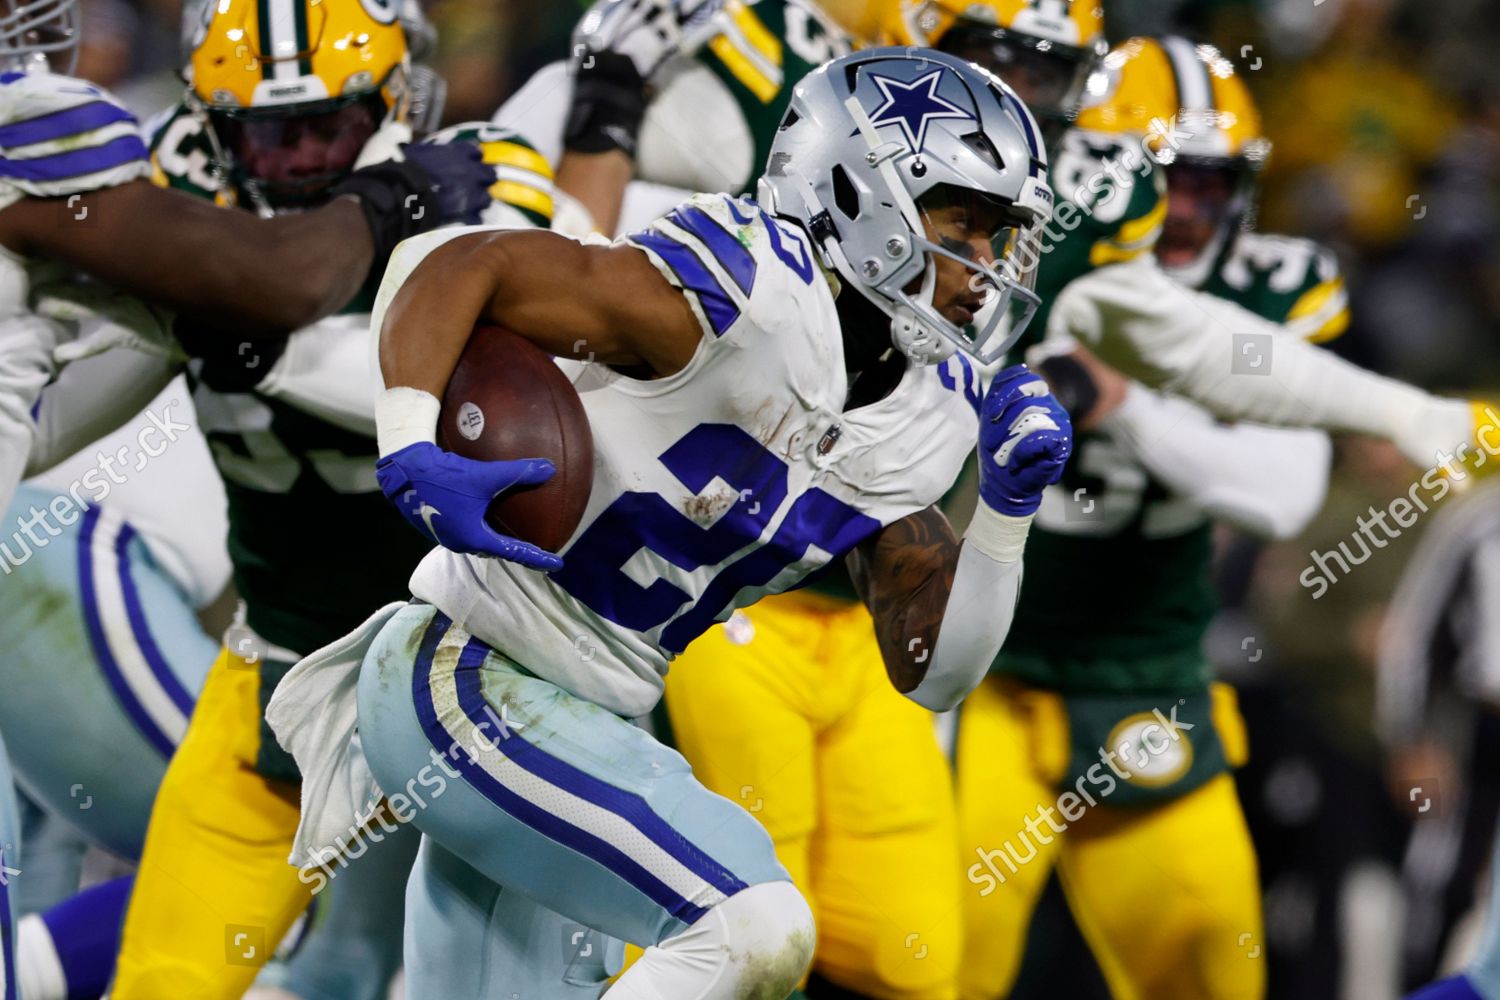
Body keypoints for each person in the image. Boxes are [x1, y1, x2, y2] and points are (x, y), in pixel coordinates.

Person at [269, 45, 1071, 1000]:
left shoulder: (933, 409)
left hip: (591, 717)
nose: (984, 265)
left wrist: (1005, 514)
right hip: (470, 672)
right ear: (859, 192)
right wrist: (406, 438)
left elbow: (936, 673)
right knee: (751, 924)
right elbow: (458, 262)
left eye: (1000, 233)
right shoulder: (745, 290)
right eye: (964, 222)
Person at [950, 34, 1335, 1000]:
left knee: (1210, 960)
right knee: (936, 960)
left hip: (1148, 680)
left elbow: (1285, 492)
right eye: (1169, 180)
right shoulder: (1019, 269)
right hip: (977, 682)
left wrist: (1126, 401)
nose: (1191, 211)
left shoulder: (1261, 295)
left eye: (1213, 183)